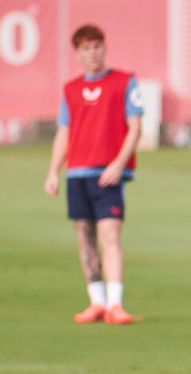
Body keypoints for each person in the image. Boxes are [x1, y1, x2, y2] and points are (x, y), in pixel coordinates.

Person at [43, 24, 143, 325]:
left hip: (108, 173)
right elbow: (64, 132)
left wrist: (118, 162)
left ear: (105, 47)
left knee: (110, 233)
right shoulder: (70, 90)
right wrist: (52, 171)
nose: (93, 53)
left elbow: (135, 126)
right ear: (77, 54)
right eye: (86, 48)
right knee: (84, 236)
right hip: (77, 172)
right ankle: (96, 301)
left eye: (97, 46)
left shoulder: (125, 82)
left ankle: (115, 303)